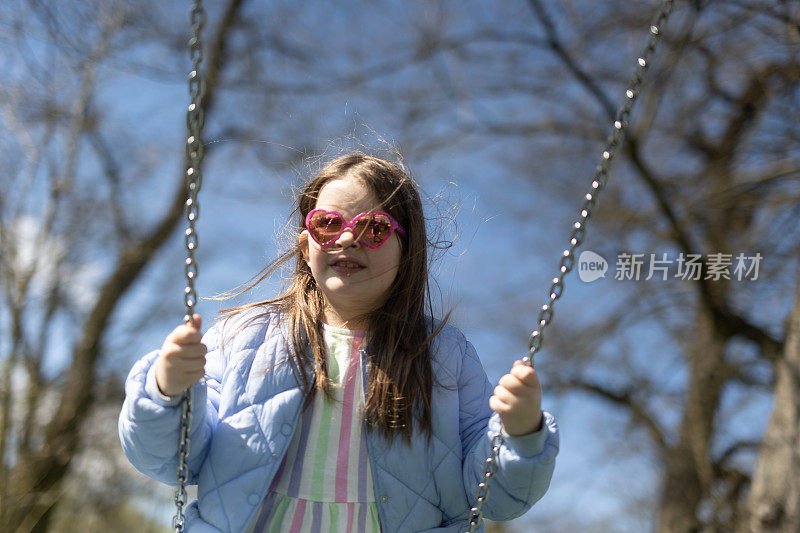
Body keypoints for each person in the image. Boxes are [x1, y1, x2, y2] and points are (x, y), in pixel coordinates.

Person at [119, 152, 559, 532]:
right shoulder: (247, 338)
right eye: (328, 223)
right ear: (305, 244)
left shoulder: (442, 355)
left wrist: (521, 434)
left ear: (407, 251)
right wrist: (166, 392)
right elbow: (173, 460)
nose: (347, 237)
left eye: (373, 228)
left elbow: (491, 496)